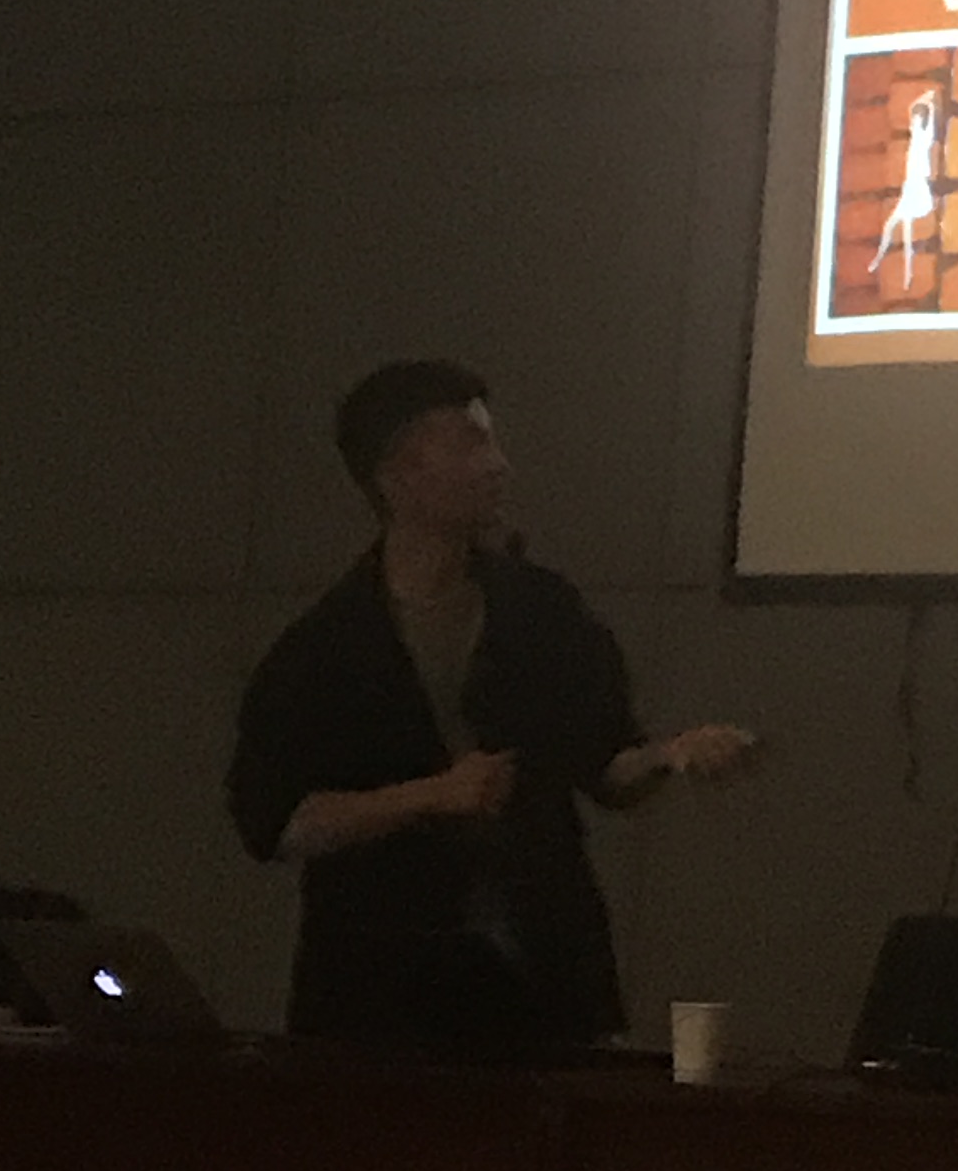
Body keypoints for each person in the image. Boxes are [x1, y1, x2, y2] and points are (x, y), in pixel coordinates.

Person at [226, 361, 757, 1054]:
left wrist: (668, 756)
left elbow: (605, 765)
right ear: (397, 475)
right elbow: (278, 823)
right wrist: (429, 796)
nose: (498, 465)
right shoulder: (324, 648)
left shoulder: (540, 611)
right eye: (471, 444)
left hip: (543, 981)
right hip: (378, 997)